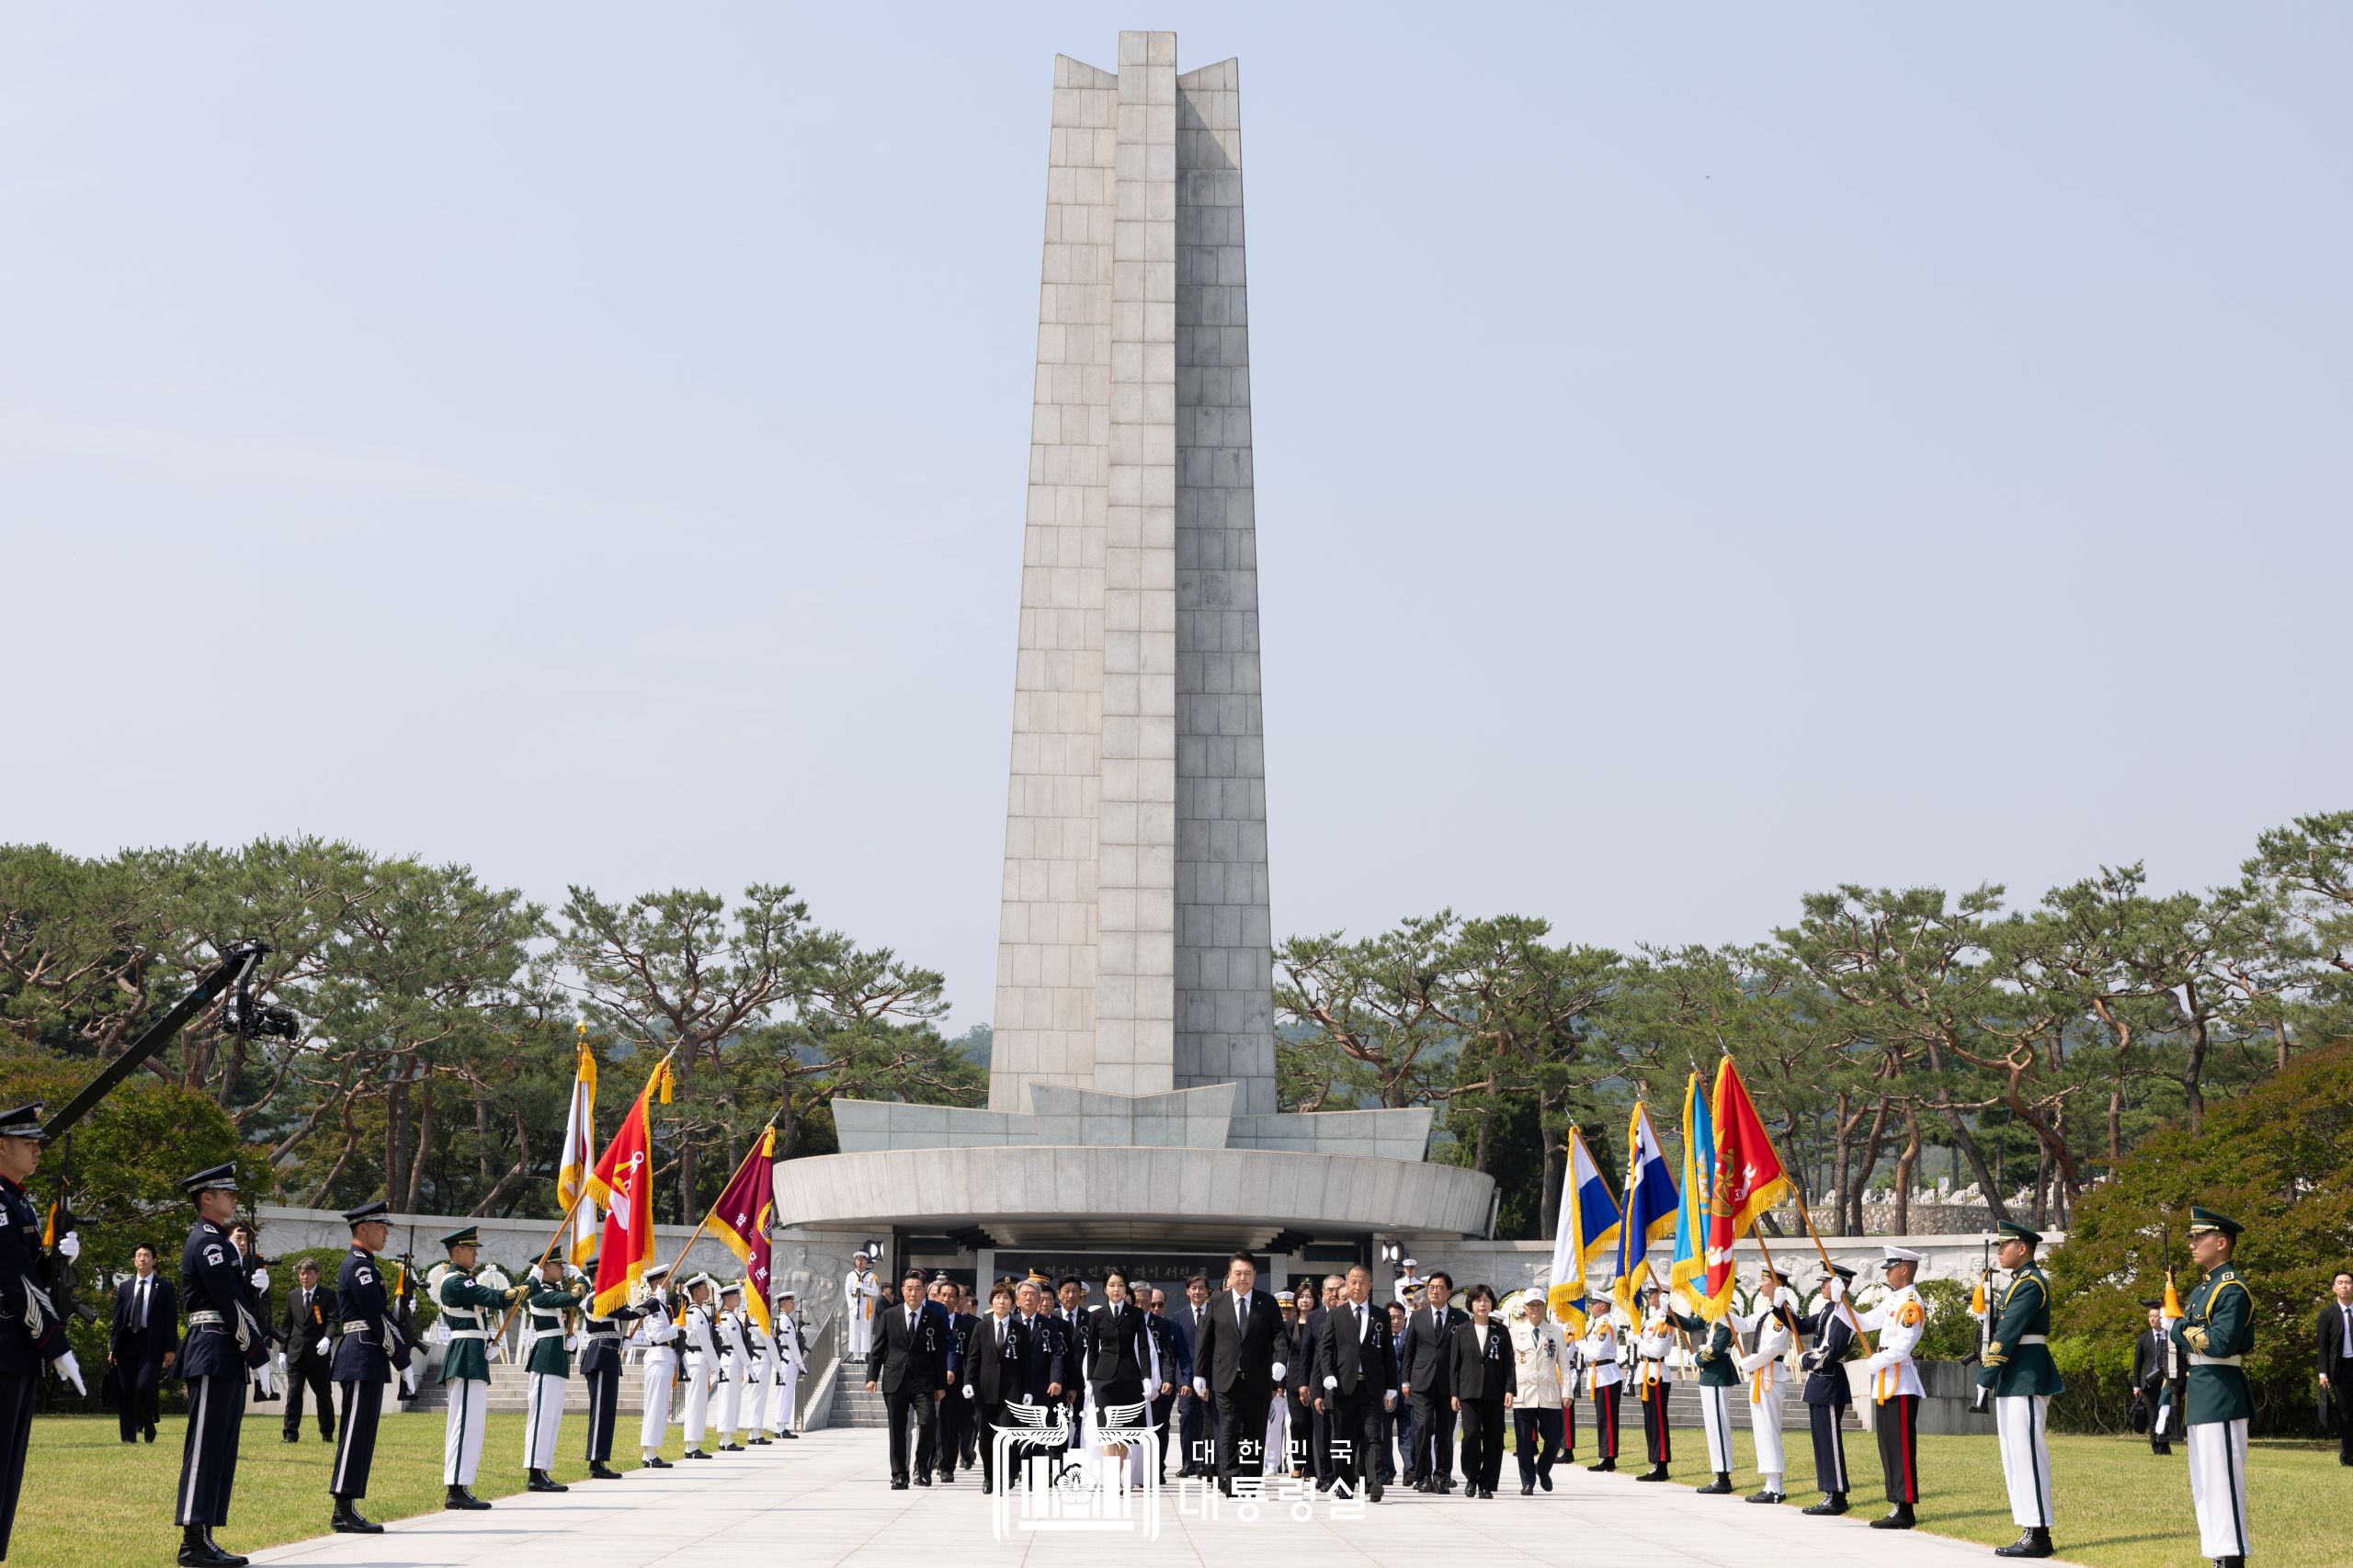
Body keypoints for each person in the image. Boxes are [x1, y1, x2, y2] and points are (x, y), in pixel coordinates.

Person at [171, 1165, 267, 1567]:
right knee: (206, 1445)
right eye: (225, 1192)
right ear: (205, 1197)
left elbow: (238, 1299)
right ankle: (192, 1540)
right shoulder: (208, 1242)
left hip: (226, 1349)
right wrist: (258, 1354)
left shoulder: (222, 1243)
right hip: (212, 1347)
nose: (233, 1198)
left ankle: (205, 1534)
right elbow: (227, 1303)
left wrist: (254, 1288)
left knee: (222, 1447)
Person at [1, 1105, 84, 1564]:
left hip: (17, 1346)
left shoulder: (18, 1200)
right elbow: (12, 1278)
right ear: (0, 1146)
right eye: (28, 1143)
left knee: (9, 1468)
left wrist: (57, 1258)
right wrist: (55, 1343)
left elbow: (31, 1271)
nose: (37, 1150)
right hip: (5, 1343)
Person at [2167, 1205, 2253, 1568]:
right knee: (2205, 1481)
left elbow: (2220, 1343)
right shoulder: (2206, 1288)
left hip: (2221, 1388)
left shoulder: (2232, 1289)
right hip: (2203, 1386)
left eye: (2199, 1237)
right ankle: (2218, 1554)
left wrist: (2176, 1325)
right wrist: (2181, 1320)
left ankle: (2231, 1557)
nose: (2192, 1243)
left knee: (2223, 1481)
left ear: (2221, 1242)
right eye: (2191, 1237)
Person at [1975, 1221, 2063, 1558]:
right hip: (2015, 1374)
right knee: (2014, 1455)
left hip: (2026, 1373)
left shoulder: (2030, 1284)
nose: (2000, 1250)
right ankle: (2029, 1527)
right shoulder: (2016, 1284)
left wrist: (1987, 1373)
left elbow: (2009, 1332)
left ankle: (2039, 1533)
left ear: (2022, 1249)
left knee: (2027, 1453)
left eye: (2005, 1245)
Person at [325, 1200, 407, 1537]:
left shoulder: (367, 1266)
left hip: (368, 1357)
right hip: (359, 1356)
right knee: (355, 1434)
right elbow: (375, 1317)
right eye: (380, 1225)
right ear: (362, 1229)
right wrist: (401, 1359)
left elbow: (382, 1317)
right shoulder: (359, 1267)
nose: (385, 1231)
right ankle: (342, 1510)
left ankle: (349, 1506)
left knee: (363, 1436)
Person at [430, 1225, 526, 1510]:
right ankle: (456, 1488)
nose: (475, 1255)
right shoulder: (456, 1281)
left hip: (473, 1351)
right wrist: (526, 1287)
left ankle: (462, 1485)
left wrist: (487, 1340)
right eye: (471, 1250)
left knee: (472, 1423)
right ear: (456, 1251)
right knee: (464, 1422)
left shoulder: (462, 1279)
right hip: (465, 1355)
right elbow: (494, 1298)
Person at [1190, 1251, 1283, 1495]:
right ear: (1230, 1276)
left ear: (1255, 1275)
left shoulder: (1267, 1302)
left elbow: (1279, 1336)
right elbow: (1205, 1340)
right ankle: (1229, 1477)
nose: (1242, 1278)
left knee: (1254, 1431)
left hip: (1258, 1380)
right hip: (1226, 1378)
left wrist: (1279, 1361)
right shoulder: (1217, 1302)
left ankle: (1250, 1480)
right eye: (1237, 1273)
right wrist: (1200, 1374)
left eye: (1248, 1273)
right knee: (1228, 1430)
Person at [1852, 1244, 1929, 1530]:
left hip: (1901, 1381)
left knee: (1901, 1448)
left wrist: (1875, 1361)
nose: (1886, 1273)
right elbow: (1864, 1321)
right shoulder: (1894, 1299)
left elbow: (1903, 1346)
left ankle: (1905, 1507)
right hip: (1886, 1379)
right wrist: (1840, 1301)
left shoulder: (1911, 1302)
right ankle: (1896, 1503)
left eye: (1891, 1268)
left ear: (1904, 1269)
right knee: (1888, 1446)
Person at [871, 1267, 946, 1489]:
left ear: (924, 1291)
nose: (913, 1293)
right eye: (909, 1289)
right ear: (902, 1291)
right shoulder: (889, 1316)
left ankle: (922, 1468)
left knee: (928, 1421)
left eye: (918, 1289)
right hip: (896, 1379)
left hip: (924, 1382)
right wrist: (872, 1376)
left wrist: (940, 1385)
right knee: (897, 1428)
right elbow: (878, 1348)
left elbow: (940, 1353)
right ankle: (899, 1474)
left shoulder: (934, 1317)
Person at [1731, 1266, 1801, 1505]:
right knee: (1762, 1431)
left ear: (1776, 1283)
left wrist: (1748, 1363)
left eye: (1764, 1280)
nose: (1760, 1284)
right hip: (1761, 1375)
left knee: (1769, 1430)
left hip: (1770, 1375)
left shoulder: (1784, 1312)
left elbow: (1774, 1348)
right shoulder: (1767, 1311)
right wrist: (1718, 1308)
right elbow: (1742, 1324)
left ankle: (1776, 1487)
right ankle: (1770, 1483)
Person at [517, 1256, 585, 1493]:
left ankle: (543, 1469)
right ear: (545, 1267)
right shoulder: (539, 1292)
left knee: (552, 1418)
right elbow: (574, 1296)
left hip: (556, 1358)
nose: (562, 1269)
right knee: (541, 1418)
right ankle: (535, 1473)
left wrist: (570, 1340)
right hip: (545, 1359)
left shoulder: (549, 1291)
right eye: (558, 1265)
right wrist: (581, 1279)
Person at [1086, 1267, 1157, 1488]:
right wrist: (1089, 1380)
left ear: (1126, 1288)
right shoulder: (1097, 1316)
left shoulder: (1135, 1314)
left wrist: (1147, 1376)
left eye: (1120, 1285)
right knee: (1108, 1431)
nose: (1116, 1289)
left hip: (1129, 1377)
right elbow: (1093, 1350)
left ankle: (1115, 1475)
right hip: (1103, 1380)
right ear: (1105, 1289)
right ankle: (1113, 1479)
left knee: (1125, 1432)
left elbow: (1144, 1347)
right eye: (1112, 1285)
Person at [1797, 1265, 1859, 1515]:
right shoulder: (1827, 1310)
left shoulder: (1844, 1314)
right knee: (1821, 1440)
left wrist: (1805, 1360)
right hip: (1819, 1382)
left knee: (1830, 1440)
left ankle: (1837, 1495)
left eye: (1826, 1282)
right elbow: (1801, 1325)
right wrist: (1780, 1307)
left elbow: (1832, 1351)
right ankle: (1828, 1492)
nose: (1821, 1286)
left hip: (1830, 1379)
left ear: (1838, 1285)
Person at [1399, 1270, 1465, 1493]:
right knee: (1424, 1427)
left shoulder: (1461, 1318)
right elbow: (1409, 1351)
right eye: (1432, 1287)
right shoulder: (1417, 1317)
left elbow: (1464, 1355)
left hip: (1449, 1384)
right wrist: (1405, 1380)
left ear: (1448, 1291)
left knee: (1446, 1433)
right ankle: (1423, 1475)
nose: (1435, 1290)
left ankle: (1442, 1476)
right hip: (1421, 1382)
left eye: (1440, 1287)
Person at [1666, 1291, 1739, 1495]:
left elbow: (1718, 1347)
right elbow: (1691, 1324)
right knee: (1712, 1428)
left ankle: (1723, 1477)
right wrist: (1669, 1313)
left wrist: (1696, 1359)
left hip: (1718, 1373)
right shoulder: (1715, 1311)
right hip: (1709, 1375)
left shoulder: (1728, 1311)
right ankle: (1719, 1474)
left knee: (1719, 1426)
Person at [958, 1281, 1024, 1494]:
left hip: (1011, 1391)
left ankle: (1005, 1474)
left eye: (1006, 1298)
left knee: (1006, 1434)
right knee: (985, 1436)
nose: (1001, 1301)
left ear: (1013, 1303)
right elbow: (973, 1358)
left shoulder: (1019, 1329)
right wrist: (968, 1382)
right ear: (991, 1301)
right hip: (984, 1391)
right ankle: (989, 1477)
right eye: (997, 1297)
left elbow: (1026, 1363)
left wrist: (1028, 1390)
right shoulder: (981, 1327)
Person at [575, 1252, 637, 1478]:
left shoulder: (604, 1296)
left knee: (607, 1411)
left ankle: (600, 1459)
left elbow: (619, 1318)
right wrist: (649, 1304)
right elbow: (625, 1312)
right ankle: (595, 1461)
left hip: (608, 1355)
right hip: (600, 1355)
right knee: (601, 1410)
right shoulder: (596, 1297)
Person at [110, 1242, 178, 1444]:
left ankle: (148, 1421)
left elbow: (170, 1320)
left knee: (144, 1386)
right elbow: (118, 1320)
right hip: (127, 1343)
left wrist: (170, 1349)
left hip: (152, 1344)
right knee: (126, 1389)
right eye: (139, 1255)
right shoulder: (125, 1287)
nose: (142, 1259)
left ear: (154, 1260)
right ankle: (128, 1437)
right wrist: (112, 1348)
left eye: (147, 1255)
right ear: (134, 1261)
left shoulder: (164, 1287)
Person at [1449, 1284, 1511, 1500]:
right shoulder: (1462, 1331)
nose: (1482, 1304)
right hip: (1469, 1392)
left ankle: (1487, 1483)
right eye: (1477, 1300)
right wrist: (1454, 1393)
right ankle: (1471, 1477)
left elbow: (1509, 1364)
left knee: (1494, 1440)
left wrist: (1509, 1389)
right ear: (1471, 1304)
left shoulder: (1501, 1331)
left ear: (1492, 1304)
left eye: (1486, 1300)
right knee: (1471, 1437)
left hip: (1495, 1393)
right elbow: (1454, 1365)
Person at [1509, 1290, 1566, 1494]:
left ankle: (1542, 1468)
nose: (1535, 1309)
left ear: (1544, 1307)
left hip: (1548, 1392)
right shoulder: (1514, 1332)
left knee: (1555, 1437)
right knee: (1524, 1440)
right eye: (1531, 1305)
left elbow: (1564, 1365)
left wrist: (1567, 1391)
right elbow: (1510, 1366)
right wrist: (1508, 1391)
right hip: (1523, 1392)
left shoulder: (1556, 1332)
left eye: (1539, 1305)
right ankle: (1527, 1481)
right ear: (1525, 1308)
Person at [273, 1257, 333, 1446]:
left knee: (323, 1395)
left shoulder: (327, 1295)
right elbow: (287, 1327)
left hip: (318, 1354)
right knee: (294, 1394)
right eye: (301, 1273)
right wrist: (283, 1351)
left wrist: (328, 1339)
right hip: (296, 1354)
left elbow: (332, 1321)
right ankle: (290, 1434)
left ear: (317, 1275)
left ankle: (327, 1433)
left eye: (308, 1273)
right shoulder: (293, 1296)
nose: (304, 1277)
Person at [634, 1264, 682, 1470]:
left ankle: (652, 1452)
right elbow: (658, 1335)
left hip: (665, 1358)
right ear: (657, 1282)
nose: (669, 1282)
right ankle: (649, 1453)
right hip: (657, 1357)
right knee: (654, 1406)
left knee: (660, 1407)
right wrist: (679, 1325)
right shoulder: (653, 1305)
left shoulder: (660, 1305)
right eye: (666, 1279)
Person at [1631, 1283, 1677, 1483]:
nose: (1649, 1295)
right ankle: (1655, 1462)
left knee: (1657, 1421)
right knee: (1650, 1421)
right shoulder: (1652, 1319)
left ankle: (1661, 1464)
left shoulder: (1664, 1321)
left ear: (1662, 1295)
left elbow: (1657, 1351)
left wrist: (1637, 1341)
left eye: (1653, 1292)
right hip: (1647, 1372)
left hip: (1656, 1373)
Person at [677, 1273, 722, 1459]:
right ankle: (691, 1446)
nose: (707, 1290)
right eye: (704, 1287)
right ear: (696, 1291)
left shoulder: (698, 1312)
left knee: (698, 1402)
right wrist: (717, 1367)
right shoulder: (695, 1313)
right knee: (696, 1403)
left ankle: (693, 1444)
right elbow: (704, 1341)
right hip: (696, 1360)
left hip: (698, 1360)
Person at [2132, 1300, 2185, 1456]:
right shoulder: (2144, 1338)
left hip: (2166, 1383)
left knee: (2165, 1415)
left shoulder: (2170, 1336)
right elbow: (2137, 1363)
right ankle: (2156, 1447)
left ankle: (2164, 1446)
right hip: (2148, 1385)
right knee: (2153, 1417)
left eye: (2155, 1316)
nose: (2152, 1319)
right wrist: (2136, 1385)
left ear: (2161, 1318)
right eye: (2150, 1316)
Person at [1174, 1275, 1211, 1477]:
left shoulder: (1215, 1313)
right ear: (1187, 1291)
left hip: (1209, 1380)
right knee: (1187, 1419)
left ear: (1207, 1291)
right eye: (1193, 1288)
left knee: (1209, 1422)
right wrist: (1182, 1381)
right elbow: (1177, 1353)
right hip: (1188, 1380)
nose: (1197, 1292)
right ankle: (1189, 1462)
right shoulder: (1179, 1316)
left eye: (1201, 1288)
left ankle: (1207, 1464)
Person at [1582, 1307, 1625, 1472]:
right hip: (1599, 1375)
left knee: (1608, 1419)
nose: (1591, 1306)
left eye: (1594, 1303)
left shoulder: (1605, 1325)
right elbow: (1589, 1355)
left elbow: (1598, 1353)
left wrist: (1581, 1343)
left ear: (1602, 1306)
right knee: (1603, 1419)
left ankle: (1609, 1457)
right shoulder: (1598, 1324)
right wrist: (1586, 1349)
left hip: (1607, 1375)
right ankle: (1605, 1456)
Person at [2316, 1268, 2353, 1467]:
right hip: (2338, 1370)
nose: (2344, 1286)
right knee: (2346, 1413)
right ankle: (2348, 1456)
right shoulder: (2327, 1314)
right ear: (2334, 1288)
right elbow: (2322, 1346)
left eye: (2347, 1282)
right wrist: (2323, 1373)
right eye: (2340, 1283)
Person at [710, 1280, 752, 1453]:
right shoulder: (728, 1318)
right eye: (736, 1296)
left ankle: (728, 1437)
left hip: (732, 1361)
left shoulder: (731, 1317)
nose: (739, 1298)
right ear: (728, 1299)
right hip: (730, 1360)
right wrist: (748, 1365)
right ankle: (725, 1438)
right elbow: (737, 1343)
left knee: (733, 1399)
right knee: (728, 1399)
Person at [1144, 1289, 1180, 1480]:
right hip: (1137, 1386)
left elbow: (1171, 1357)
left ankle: (1157, 1469)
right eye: (1152, 1304)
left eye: (1160, 1304)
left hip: (1162, 1387)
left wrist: (1169, 1380)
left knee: (1160, 1428)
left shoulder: (1168, 1326)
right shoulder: (1131, 1323)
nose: (1155, 1308)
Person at [767, 1289, 804, 1439]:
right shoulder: (784, 1320)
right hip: (787, 1358)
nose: (793, 1303)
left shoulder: (783, 1319)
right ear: (783, 1303)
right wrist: (800, 1362)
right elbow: (791, 1344)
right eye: (791, 1301)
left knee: (786, 1394)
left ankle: (782, 1426)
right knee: (785, 1394)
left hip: (786, 1359)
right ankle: (780, 1428)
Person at [1383, 1300, 1412, 1486]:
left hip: (1407, 1395)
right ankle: (1387, 1472)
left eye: (1399, 1317)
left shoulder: (1410, 1337)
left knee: (1408, 1435)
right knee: (1384, 1435)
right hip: (1386, 1395)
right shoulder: (1378, 1338)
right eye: (1391, 1317)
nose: (1395, 1321)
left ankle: (1410, 1471)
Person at [846, 1252, 881, 1365]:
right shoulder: (851, 1275)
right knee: (854, 1329)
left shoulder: (871, 1276)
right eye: (858, 1260)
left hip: (866, 1302)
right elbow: (847, 1293)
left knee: (865, 1330)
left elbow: (875, 1292)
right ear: (855, 1261)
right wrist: (852, 1307)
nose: (860, 1262)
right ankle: (856, 1356)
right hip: (854, 1302)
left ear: (866, 1261)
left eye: (862, 1260)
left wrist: (864, 1288)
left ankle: (863, 1356)